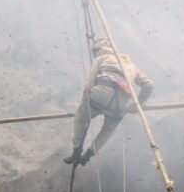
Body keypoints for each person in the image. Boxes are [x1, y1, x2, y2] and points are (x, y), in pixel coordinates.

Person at [64, 37, 154, 166]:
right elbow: (148, 85)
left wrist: (86, 100)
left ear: (98, 50)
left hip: (101, 94)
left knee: (81, 118)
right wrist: (137, 104)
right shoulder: (131, 65)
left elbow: (90, 82)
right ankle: (87, 156)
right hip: (120, 103)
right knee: (108, 130)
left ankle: (76, 151)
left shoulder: (101, 58)